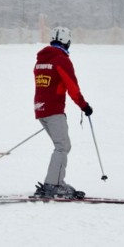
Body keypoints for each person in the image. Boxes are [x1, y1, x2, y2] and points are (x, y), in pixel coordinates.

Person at [32, 26, 93, 199]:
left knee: (61, 146)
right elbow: (72, 87)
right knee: (62, 146)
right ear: (67, 42)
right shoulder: (62, 60)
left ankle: (55, 181)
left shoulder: (40, 60)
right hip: (54, 110)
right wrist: (84, 106)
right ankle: (54, 185)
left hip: (40, 109)